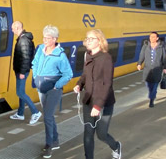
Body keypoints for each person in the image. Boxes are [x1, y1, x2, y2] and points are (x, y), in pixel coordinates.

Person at [73, 29, 122, 159]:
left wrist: (98, 105)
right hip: (89, 100)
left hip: (104, 103)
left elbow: (107, 83)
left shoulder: (106, 58)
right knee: (88, 133)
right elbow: (85, 74)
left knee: (101, 134)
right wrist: (79, 84)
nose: (87, 41)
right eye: (87, 38)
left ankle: (116, 146)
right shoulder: (87, 55)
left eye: (91, 38)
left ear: (99, 41)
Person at [31, 25, 73, 158]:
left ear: (55, 39)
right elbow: (35, 63)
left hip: (53, 89)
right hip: (41, 87)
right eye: (44, 37)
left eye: (48, 38)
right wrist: (35, 76)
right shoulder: (40, 49)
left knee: (47, 117)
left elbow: (68, 74)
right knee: (49, 116)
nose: (45, 40)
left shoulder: (60, 56)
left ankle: (49, 145)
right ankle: (55, 140)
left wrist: (57, 85)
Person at [9, 21, 42, 124]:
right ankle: (20, 114)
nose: (12, 30)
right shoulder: (23, 39)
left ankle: (35, 112)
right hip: (20, 70)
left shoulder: (23, 40)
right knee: (21, 92)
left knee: (20, 92)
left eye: (13, 28)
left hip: (22, 71)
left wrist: (22, 72)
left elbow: (25, 57)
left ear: (18, 28)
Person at [137, 32, 166, 108]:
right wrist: (139, 63)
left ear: (157, 38)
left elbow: (164, 57)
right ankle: (153, 94)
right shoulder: (145, 46)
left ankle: (151, 100)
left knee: (154, 85)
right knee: (148, 84)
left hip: (157, 68)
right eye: (150, 37)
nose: (151, 38)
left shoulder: (161, 47)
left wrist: (165, 67)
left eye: (153, 37)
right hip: (147, 69)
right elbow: (142, 55)